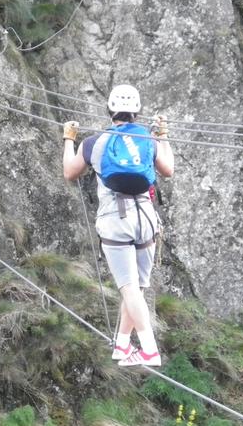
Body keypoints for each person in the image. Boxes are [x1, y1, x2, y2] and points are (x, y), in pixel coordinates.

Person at [62, 85, 174, 367]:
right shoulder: (147, 139)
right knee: (136, 288)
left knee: (129, 289)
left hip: (116, 221)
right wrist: (163, 136)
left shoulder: (94, 143)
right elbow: (168, 169)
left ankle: (149, 350)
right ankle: (123, 346)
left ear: (110, 111)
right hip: (147, 219)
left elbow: (69, 173)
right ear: (136, 112)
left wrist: (68, 139)